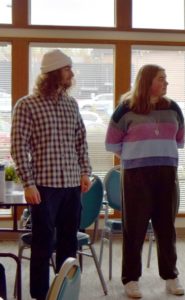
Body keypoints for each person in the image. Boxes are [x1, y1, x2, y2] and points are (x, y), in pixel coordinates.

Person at [10, 49, 92, 300]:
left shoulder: (71, 104)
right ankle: (39, 294)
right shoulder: (26, 105)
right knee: (43, 245)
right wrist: (28, 183)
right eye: (67, 69)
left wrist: (85, 171)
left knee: (68, 243)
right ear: (54, 73)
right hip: (43, 188)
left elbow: (81, 140)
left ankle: (65, 292)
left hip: (71, 186)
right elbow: (18, 146)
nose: (72, 73)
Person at [105, 64, 185, 298]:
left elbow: (179, 140)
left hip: (166, 172)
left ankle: (171, 276)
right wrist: (137, 155)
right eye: (162, 78)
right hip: (136, 175)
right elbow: (112, 144)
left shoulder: (173, 108)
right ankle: (131, 279)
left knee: (166, 228)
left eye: (166, 78)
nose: (166, 83)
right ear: (148, 81)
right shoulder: (125, 109)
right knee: (135, 228)